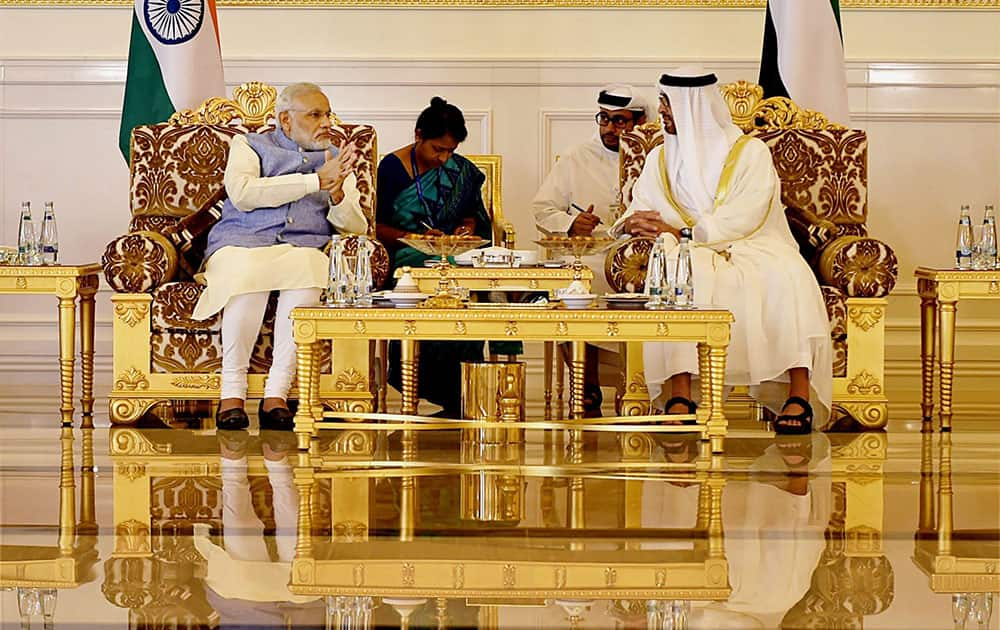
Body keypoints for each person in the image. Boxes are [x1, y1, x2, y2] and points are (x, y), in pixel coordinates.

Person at [610, 67, 832, 433]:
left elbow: (748, 212)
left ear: (693, 107)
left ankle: (799, 392)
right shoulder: (659, 158)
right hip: (686, 247)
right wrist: (635, 222)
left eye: (668, 104)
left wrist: (686, 231)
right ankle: (680, 393)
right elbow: (641, 203)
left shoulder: (749, 153)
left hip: (751, 243)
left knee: (787, 272)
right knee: (679, 266)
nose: (662, 112)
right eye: (663, 102)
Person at [192, 82, 368, 431]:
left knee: (310, 270)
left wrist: (335, 195)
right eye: (315, 115)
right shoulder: (250, 145)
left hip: (299, 247)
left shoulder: (332, 155)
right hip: (241, 243)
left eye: (328, 114)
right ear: (285, 121)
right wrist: (313, 181)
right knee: (247, 275)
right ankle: (232, 394)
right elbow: (242, 194)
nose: (326, 122)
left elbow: (356, 227)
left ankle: (277, 394)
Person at [532, 85, 647, 417]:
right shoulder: (576, 157)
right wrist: (571, 222)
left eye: (620, 121)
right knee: (577, 285)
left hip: (640, 255)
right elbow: (542, 209)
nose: (610, 129)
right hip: (592, 251)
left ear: (639, 121)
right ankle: (586, 385)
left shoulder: (657, 155)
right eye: (604, 119)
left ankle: (641, 385)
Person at [375, 97, 492, 416]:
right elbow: (375, 224)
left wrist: (465, 228)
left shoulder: (461, 171)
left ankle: (461, 391)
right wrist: (412, 237)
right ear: (418, 136)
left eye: (450, 151)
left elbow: (475, 217)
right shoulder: (391, 167)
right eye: (438, 149)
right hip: (405, 253)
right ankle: (420, 382)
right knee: (430, 277)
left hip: (451, 251)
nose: (444, 158)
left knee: (464, 275)